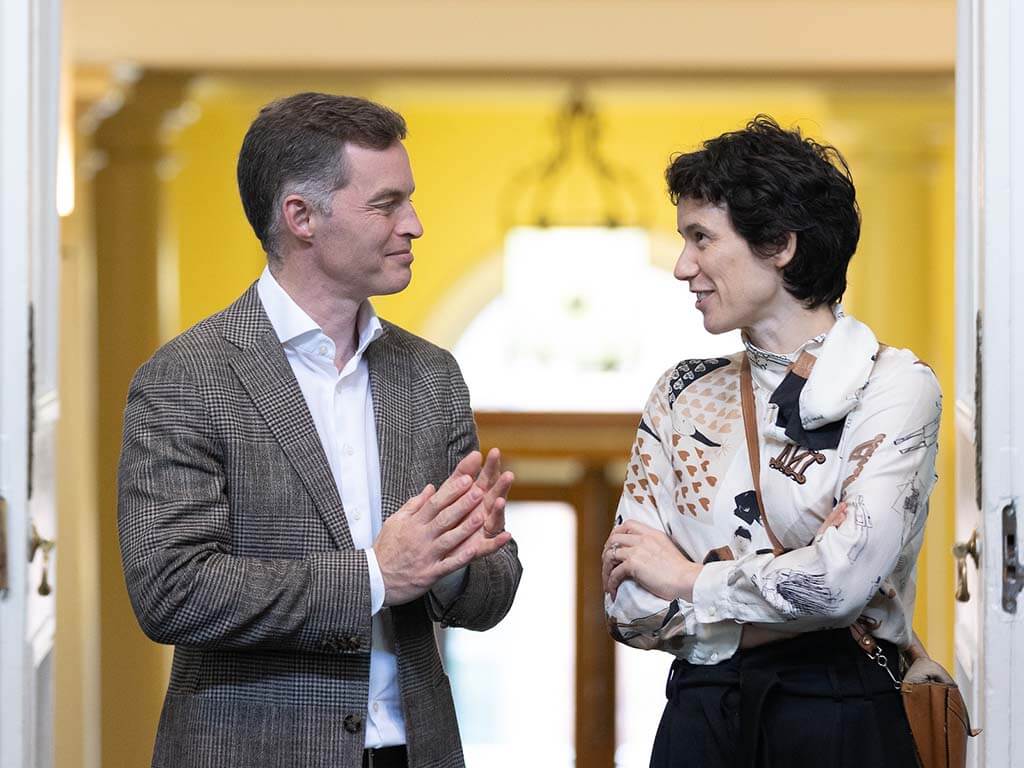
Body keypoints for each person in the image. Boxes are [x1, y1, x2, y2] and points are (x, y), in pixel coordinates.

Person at [118, 92, 523, 768]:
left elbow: (488, 599)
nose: (415, 224)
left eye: (410, 200)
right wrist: (371, 576)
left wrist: (458, 565)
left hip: (413, 751)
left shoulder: (433, 375)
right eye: (387, 204)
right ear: (301, 216)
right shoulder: (184, 377)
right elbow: (171, 591)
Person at [603, 116, 941, 767]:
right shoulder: (680, 391)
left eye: (701, 238)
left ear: (780, 245)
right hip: (700, 721)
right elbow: (631, 605)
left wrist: (687, 577)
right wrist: (783, 601)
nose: (682, 267)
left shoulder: (894, 386)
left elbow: (839, 581)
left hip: (839, 718)